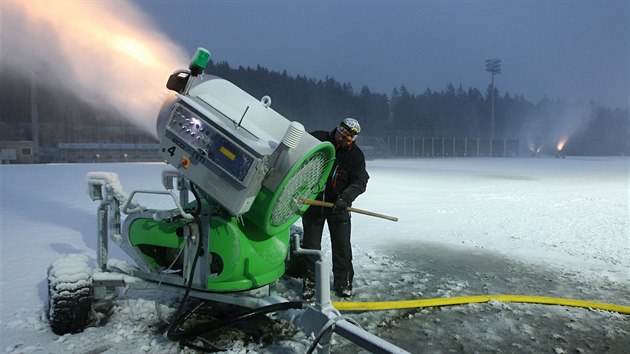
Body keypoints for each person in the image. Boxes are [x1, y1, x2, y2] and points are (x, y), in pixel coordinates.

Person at [301, 117, 369, 298]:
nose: (347, 141)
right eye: (345, 135)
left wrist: (346, 198)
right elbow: (298, 157)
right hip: (313, 204)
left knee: (342, 248)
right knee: (311, 246)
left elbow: (361, 181)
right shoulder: (319, 139)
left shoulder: (356, 155)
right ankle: (310, 283)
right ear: (338, 129)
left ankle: (343, 283)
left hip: (339, 207)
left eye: (351, 139)